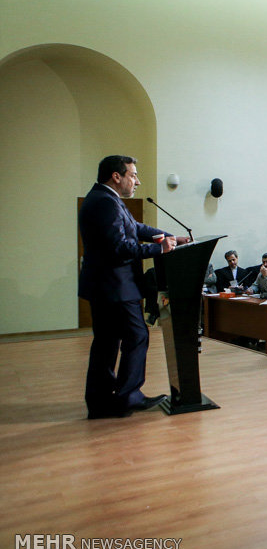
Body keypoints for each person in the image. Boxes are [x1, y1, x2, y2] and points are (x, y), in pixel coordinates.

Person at [78, 155, 180, 418]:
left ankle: (101, 402)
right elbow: (119, 249)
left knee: (107, 343)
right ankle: (127, 397)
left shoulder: (105, 199)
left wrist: (167, 236)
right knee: (136, 336)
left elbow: (136, 228)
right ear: (116, 176)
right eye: (133, 175)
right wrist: (159, 249)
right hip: (116, 287)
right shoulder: (105, 202)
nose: (137, 180)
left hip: (107, 287)